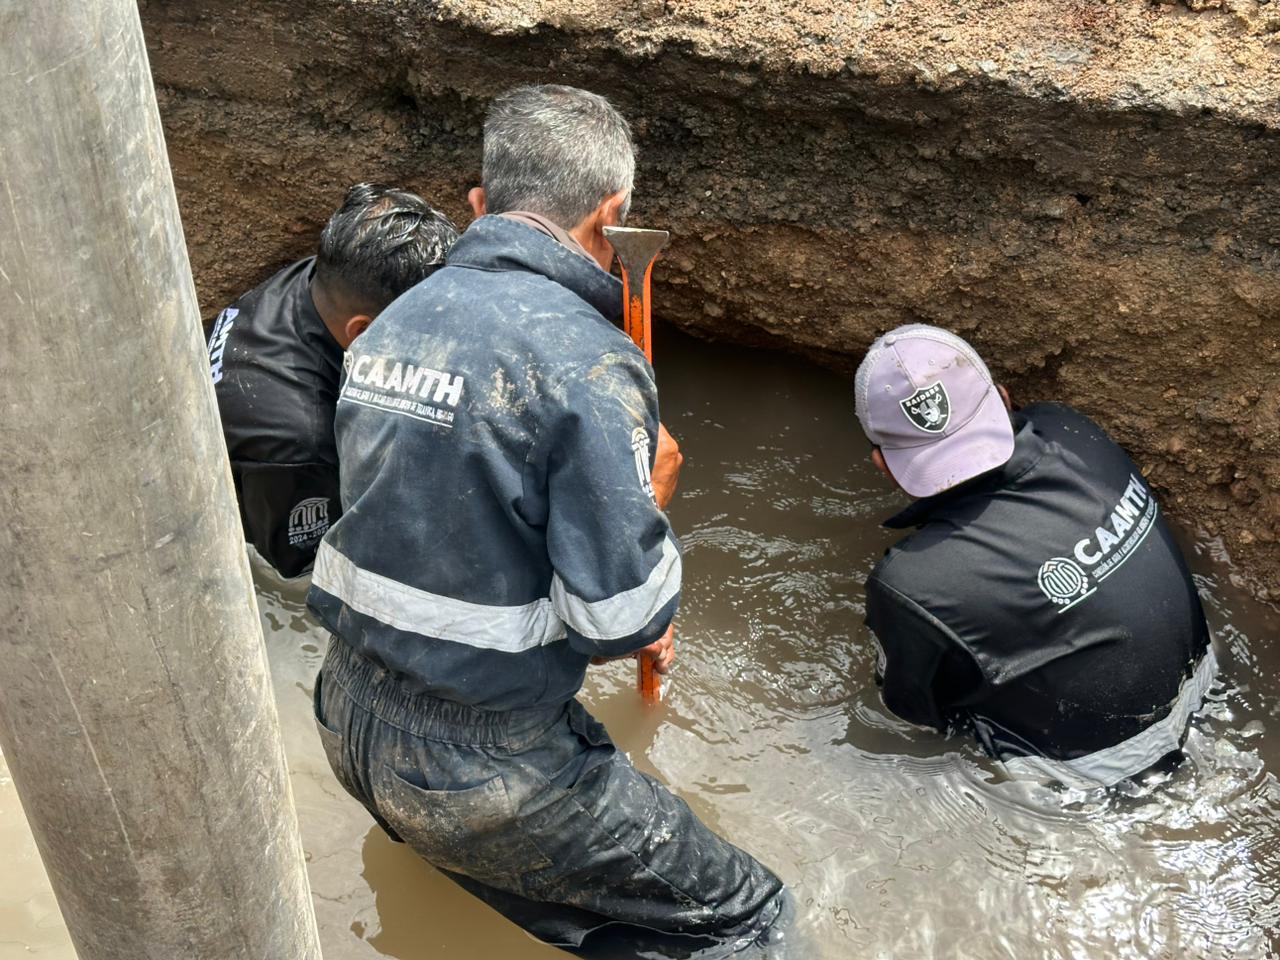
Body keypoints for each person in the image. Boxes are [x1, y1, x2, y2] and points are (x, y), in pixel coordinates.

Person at [306, 85, 788, 956]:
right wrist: (648, 516)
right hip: (481, 768)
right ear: (611, 217)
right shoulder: (586, 362)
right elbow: (622, 620)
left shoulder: (388, 324)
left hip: (345, 717)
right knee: (750, 918)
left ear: (480, 206)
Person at [854, 323, 1215, 789]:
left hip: (1085, 787)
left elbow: (910, 716)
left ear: (882, 463)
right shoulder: (1073, 432)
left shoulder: (911, 584)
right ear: (1004, 400)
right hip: (1209, 692)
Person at [206, 183, 458, 578]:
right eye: (427, 328)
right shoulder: (302, 440)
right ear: (362, 332)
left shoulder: (333, 275)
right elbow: (303, 572)